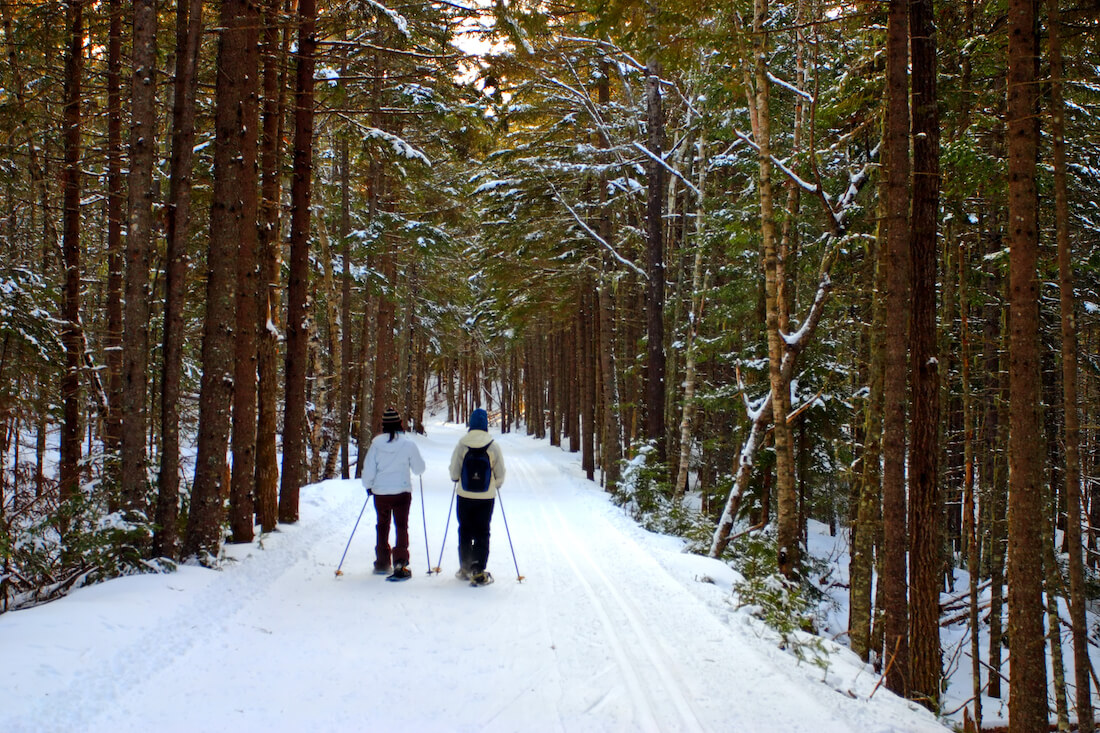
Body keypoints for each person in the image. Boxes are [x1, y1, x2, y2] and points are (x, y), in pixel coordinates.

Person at [360, 407, 425, 580]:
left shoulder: (376, 445)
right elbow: (419, 469)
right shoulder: (408, 444)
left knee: (382, 525)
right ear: (399, 424)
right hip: (402, 493)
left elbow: (368, 469)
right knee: (401, 526)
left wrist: (368, 486)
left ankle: (382, 562)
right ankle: (400, 563)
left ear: (384, 425)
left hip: (380, 493)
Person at [449, 407, 506, 586]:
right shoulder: (493, 445)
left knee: (465, 529)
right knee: (482, 531)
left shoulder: (462, 444)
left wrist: (457, 479)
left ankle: (464, 566)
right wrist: (494, 485)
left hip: (464, 495)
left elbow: (454, 472)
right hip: (486, 497)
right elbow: (500, 473)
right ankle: (478, 568)